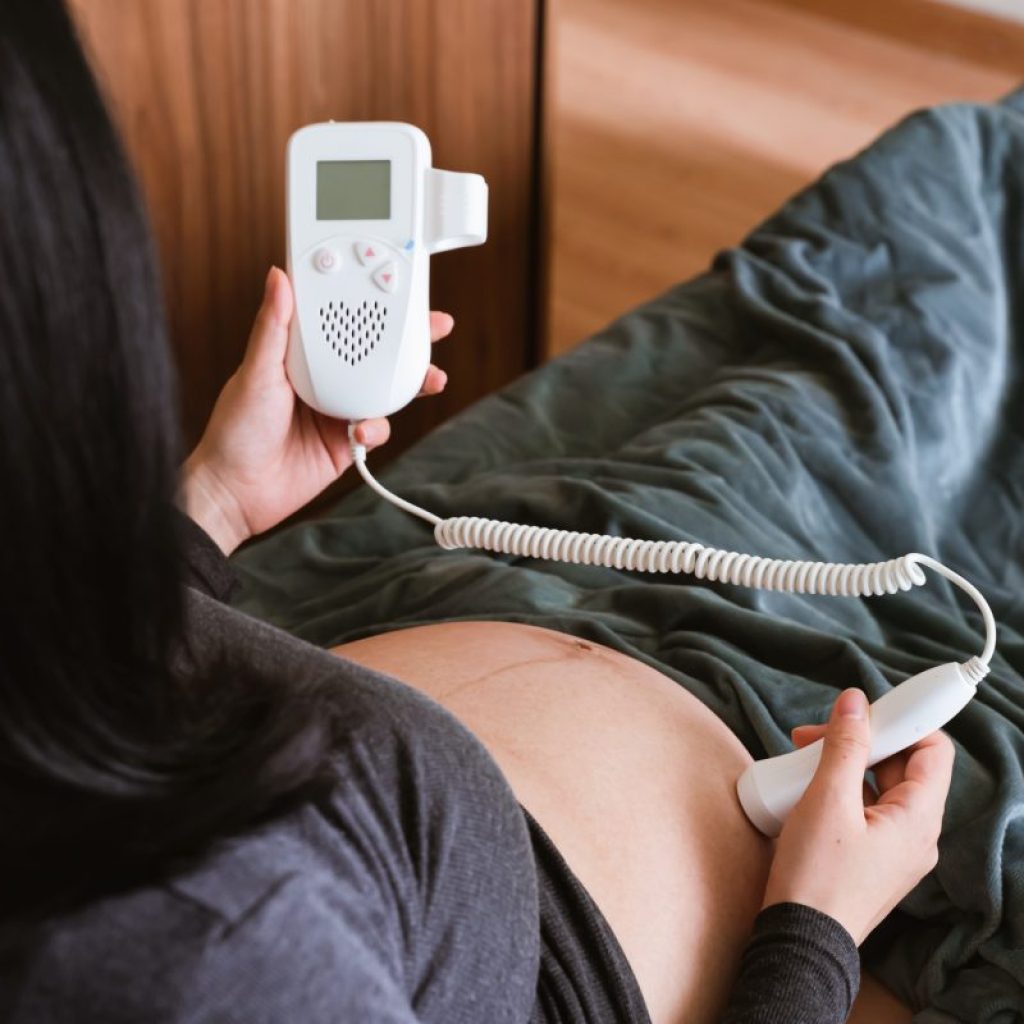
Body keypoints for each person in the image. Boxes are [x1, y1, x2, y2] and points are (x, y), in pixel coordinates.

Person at [0, 1, 955, 1021]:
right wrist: (816, 934)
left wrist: (202, 519)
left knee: (838, 320)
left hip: (500, 608)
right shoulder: (201, 963)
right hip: (761, 856)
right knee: (898, 312)